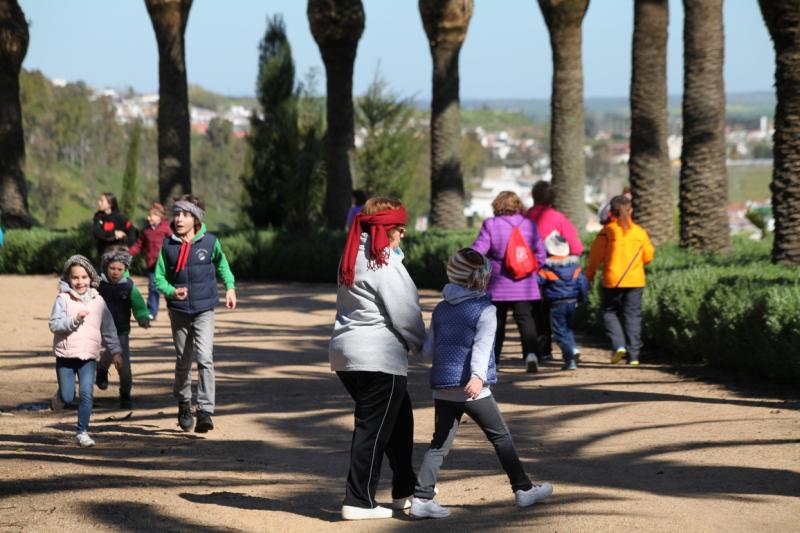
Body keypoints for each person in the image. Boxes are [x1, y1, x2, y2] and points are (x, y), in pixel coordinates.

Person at [409, 248, 553, 519]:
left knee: (439, 443)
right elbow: (482, 347)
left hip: (442, 386)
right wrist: (478, 376)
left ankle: (422, 497)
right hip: (473, 388)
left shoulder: (440, 309)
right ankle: (523, 489)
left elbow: (429, 352)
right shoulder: (485, 310)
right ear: (479, 278)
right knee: (501, 437)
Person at [330, 197, 425, 521]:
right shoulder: (383, 262)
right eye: (400, 230)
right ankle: (358, 500)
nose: (402, 236)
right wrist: (422, 346)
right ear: (388, 229)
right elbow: (406, 314)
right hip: (378, 356)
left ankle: (405, 489)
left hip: (348, 354)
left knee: (400, 419)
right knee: (373, 428)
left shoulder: (353, 253)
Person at [154, 195, 237, 433]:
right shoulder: (168, 246)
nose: (179, 219)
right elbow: (159, 278)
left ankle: (205, 411)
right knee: (183, 359)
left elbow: (223, 266)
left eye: (185, 215)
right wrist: (171, 291)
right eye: (177, 214)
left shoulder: (210, 242)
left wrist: (230, 287)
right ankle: (183, 402)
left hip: (204, 309)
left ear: (196, 218)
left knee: (205, 358)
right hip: (179, 310)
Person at [48, 255, 122, 447]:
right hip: (66, 356)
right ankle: (59, 397)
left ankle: (82, 432)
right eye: (75, 277)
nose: (80, 282)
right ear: (68, 279)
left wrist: (115, 351)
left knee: (87, 394)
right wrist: (74, 321)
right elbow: (54, 325)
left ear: (91, 278)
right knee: (68, 397)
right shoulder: (62, 299)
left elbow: (109, 328)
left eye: (84, 277)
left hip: (88, 356)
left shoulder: (98, 301)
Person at [472, 191, 546, 373]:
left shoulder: (491, 224)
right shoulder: (529, 224)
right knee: (525, 319)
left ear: (497, 205)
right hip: (525, 284)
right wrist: (528, 268)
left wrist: (467, 259)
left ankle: (494, 359)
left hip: (498, 284)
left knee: (496, 322)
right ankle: (531, 355)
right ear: (517, 205)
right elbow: (541, 254)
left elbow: (479, 250)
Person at [586, 195, 654, 366]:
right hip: (635, 280)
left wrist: (590, 276)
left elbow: (595, 257)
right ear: (630, 210)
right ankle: (634, 356)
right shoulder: (640, 232)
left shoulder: (607, 232)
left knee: (609, 312)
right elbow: (648, 256)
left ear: (611, 212)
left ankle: (618, 345)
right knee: (633, 316)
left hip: (612, 279)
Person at [526, 180, 584, 362]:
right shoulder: (558, 218)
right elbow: (576, 247)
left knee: (536, 314)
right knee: (556, 315)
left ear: (534, 196)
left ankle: (543, 350)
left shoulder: (525, 217)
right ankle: (566, 347)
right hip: (555, 275)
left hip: (529, 273)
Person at [96, 249, 151, 409]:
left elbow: (139, 304)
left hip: (121, 331)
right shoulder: (98, 285)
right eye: (112, 268)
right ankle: (102, 369)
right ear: (105, 266)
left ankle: (125, 393)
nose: (115, 272)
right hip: (99, 329)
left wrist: (143, 318)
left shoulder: (129, 286)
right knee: (108, 351)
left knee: (124, 366)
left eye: (119, 269)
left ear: (125, 269)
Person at [537, 233, 589, 371]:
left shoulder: (546, 268)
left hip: (556, 303)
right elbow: (583, 283)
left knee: (559, 331)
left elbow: (537, 283)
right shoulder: (575, 267)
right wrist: (583, 299)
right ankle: (572, 348)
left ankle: (569, 358)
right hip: (572, 302)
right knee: (568, 328)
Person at [129, 202, 172, 320]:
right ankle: (152, 311)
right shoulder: (147, 231)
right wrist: (128, 253)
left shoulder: (166, 229)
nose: (148, 218)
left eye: (151, 216)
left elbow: (174, 243)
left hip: (166, 265)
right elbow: (139, 244)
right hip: (153, 265)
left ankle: (174, 310)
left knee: (169, 288)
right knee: (153, 287)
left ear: (159, 217)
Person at [92, 192, 137, 258]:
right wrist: (113, 234)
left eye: (102, 201)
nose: (99, 203)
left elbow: (132, 231)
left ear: (110, 204)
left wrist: (127, 244)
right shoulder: (98, 216)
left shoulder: (120, 218)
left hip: (118, 255)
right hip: (103, 254)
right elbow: (97, 232)